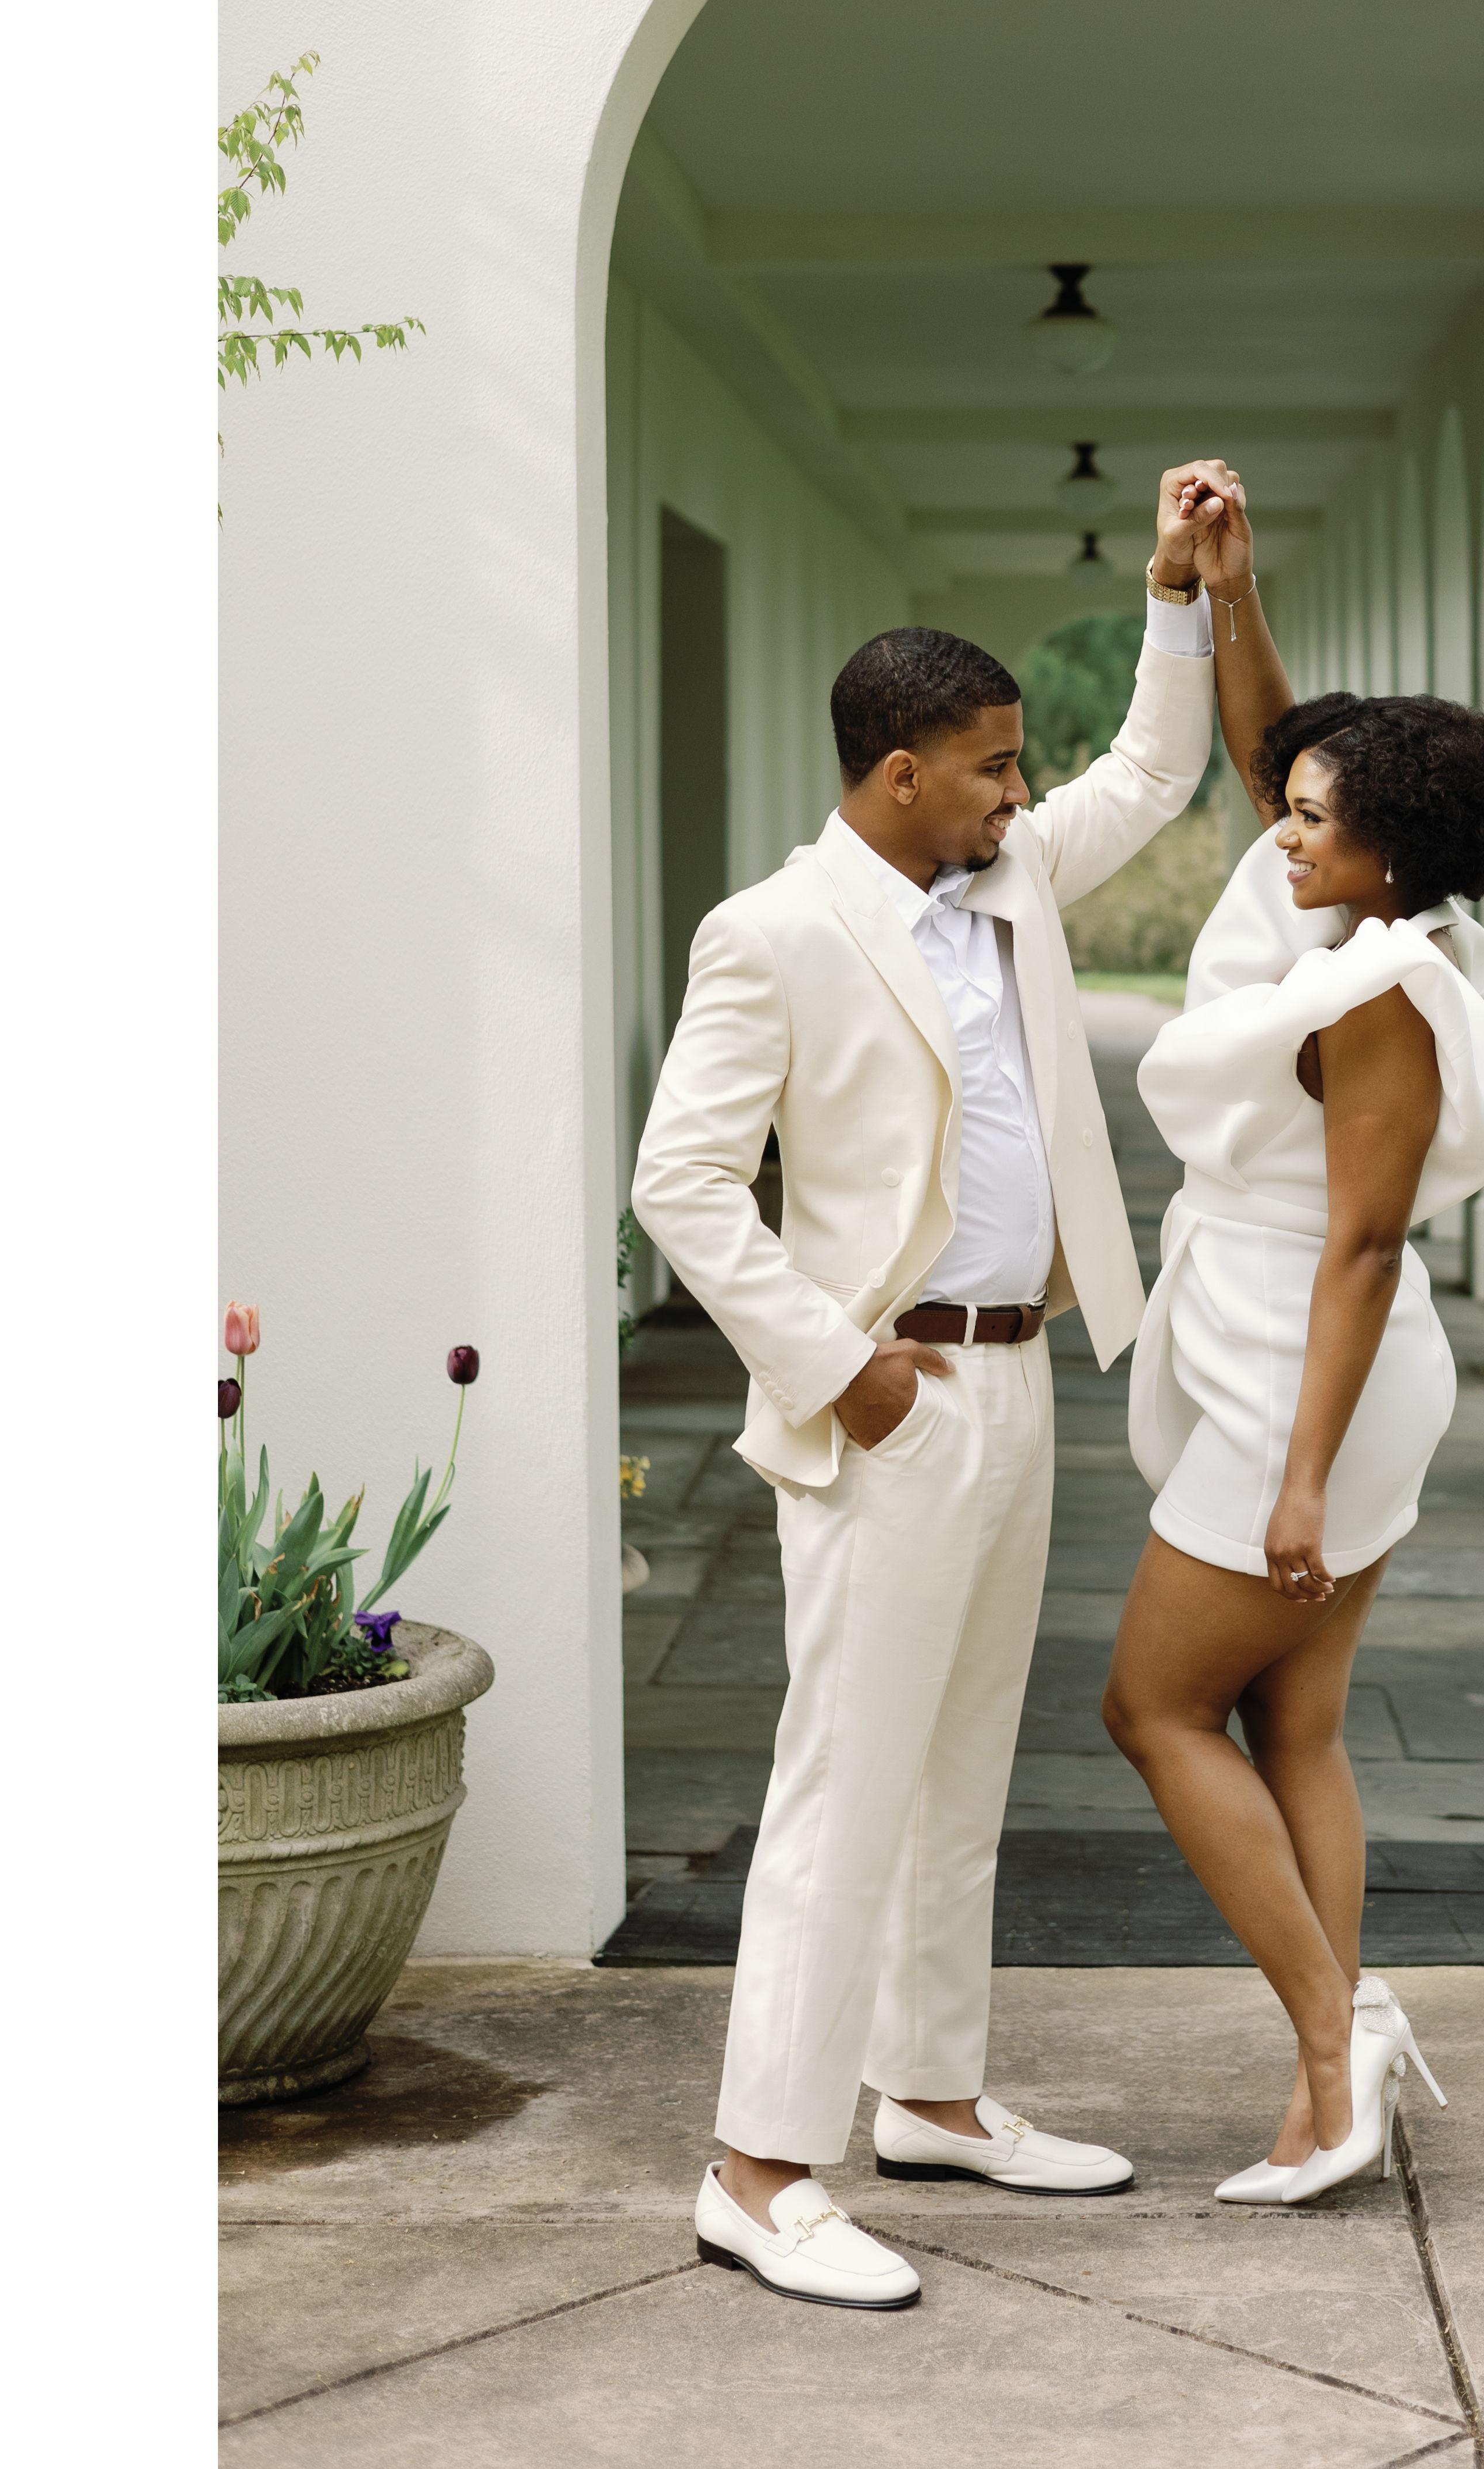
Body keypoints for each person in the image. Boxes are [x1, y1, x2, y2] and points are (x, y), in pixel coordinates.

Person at [631, 460, 1241, 2310]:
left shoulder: (1016, 879)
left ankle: (932, 2093)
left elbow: (1152, 769)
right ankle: (757, 2168)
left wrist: (1179, 592)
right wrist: (841, 1369)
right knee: (844, 1782)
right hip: (887, 1405)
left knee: (963, 1763)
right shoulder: (773, 931)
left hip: (1016, 1379)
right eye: (990, 766)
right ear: (899, 774)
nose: (1019, 791)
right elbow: (681, 1182)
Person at [1100, 491, 1484, 2206]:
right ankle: (1329, 2073)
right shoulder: (1360, 921)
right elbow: (1271, 746)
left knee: (1154, 1705)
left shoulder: (1375, 1008)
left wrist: (1298, 1480)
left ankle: (1331, 2040)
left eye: (1310, 819)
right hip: (1285, 1339)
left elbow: (1359, 1247)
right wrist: (1232, 588)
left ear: (1390, 849)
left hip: (1314, 1368)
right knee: (1295, 1722)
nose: (1280, 823)